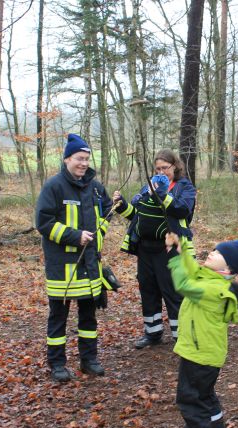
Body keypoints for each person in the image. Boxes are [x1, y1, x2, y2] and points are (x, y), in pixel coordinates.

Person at [164, 233, 238, 428]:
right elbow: (194, 270)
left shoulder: (214, 291)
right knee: (205, 396)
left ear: (228, 269)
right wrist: (182, 247)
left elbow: (183, 283)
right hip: (204, 354)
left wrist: (174, 258)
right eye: (215, 249)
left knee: (189, 398)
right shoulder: (211, 279)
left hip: (199, 354)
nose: (212, 252)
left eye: (219, 253)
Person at [36, 134, 114, 382]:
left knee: (89, 316)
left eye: (87, 159)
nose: (83, 163)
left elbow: (108, 210)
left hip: (90, 265)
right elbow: (44, 223)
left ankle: (89, 360)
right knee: (58, 317)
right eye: (79, 158)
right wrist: (75, 236)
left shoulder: (95, 187)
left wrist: (98, 233)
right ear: (67, 158)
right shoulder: (54, 186)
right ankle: (57, 363)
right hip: (63, 267)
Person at [112, 149, 197, 349]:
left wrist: (162, 195)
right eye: (157, 168)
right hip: (145, 248)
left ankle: (181, 336)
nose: (161, 172)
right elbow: (138, 215)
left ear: (175, 167)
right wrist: (123, 205)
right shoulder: (148, 186)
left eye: (165, 168)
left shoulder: (185, 187)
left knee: (173, 292)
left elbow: (183, 210)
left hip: (169, 248)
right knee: (148, 290)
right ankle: (152, 333)